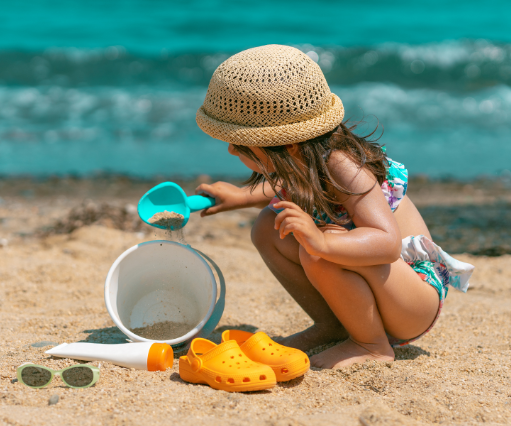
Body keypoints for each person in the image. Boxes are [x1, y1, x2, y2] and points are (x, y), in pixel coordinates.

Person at [194, 45, 474, 369]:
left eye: (240, 143)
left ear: (288, 144)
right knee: (267, 226)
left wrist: (323, 242)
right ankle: (334, 327)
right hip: (380, 292)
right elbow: (291, 182)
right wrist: (242, 197)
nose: (230, 149)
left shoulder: (345, 166)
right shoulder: (307, 158)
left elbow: (385, 243)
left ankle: (371, 345)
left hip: (413, 300)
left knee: (319, 247)